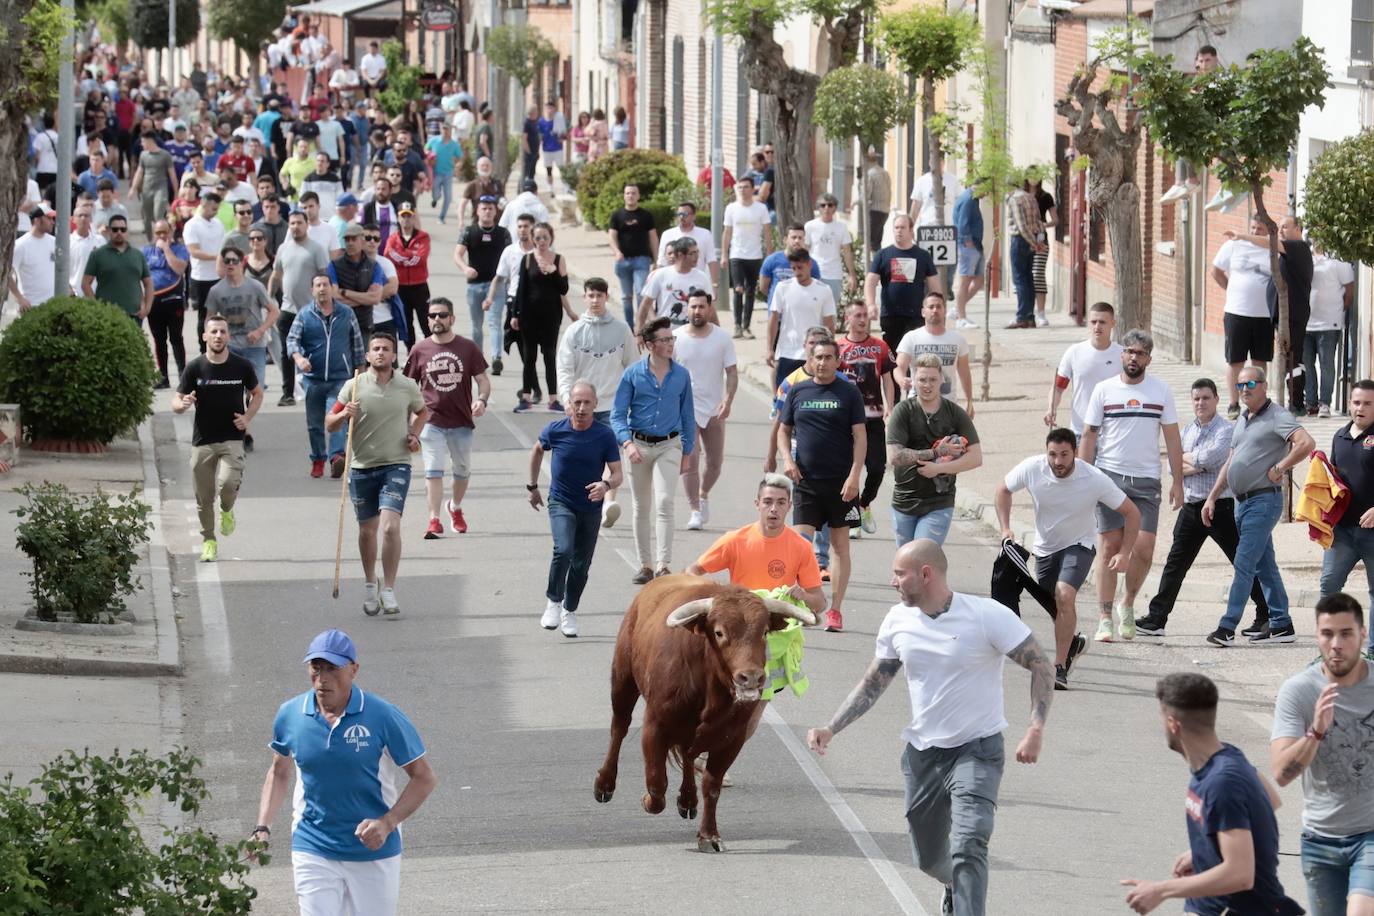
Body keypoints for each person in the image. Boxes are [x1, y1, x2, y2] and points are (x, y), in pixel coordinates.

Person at [807, 539, 1054, 916]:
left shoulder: (987, 615)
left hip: (978, 749)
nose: (892, 581)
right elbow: (874, 682)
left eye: (898, 574)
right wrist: (831, 727)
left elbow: (1041, 664)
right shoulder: (897, 620)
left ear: (925, 574)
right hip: (923, 756)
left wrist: (1035, 727)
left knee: (970, 842)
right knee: (926, 857)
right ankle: (953, 883)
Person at [253, 628, 436, 916]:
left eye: (332, 669)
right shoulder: (291, 715)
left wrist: (388, 823)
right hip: (312, 846)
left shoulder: (383, 715)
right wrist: (262, 828)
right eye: (316, 668)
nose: (322, 679)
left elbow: (423, 777)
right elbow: (279, 772)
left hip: (373, 851)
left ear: (354, 670)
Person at [1120, 672, 1300, 916]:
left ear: (1173, 724)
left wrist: (1161, 890)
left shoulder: (1222, 782)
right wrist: (1204, 851)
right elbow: (1269, 801)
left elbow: (1240, 875)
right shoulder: (1226, 756)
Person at [996, 427, 1138, 689]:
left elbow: (1131, 512)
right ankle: (1073, 643)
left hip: (1080, 544)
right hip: (1046, 549)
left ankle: (1059, 667)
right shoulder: (1032, 468)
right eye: (1052, 454)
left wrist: (1124, 552)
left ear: (1075, 452)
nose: (1058, 462)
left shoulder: (1093, 478)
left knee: (1064, 595)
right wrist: (1005, 527)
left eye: (1064, 454)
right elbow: (1003, 490)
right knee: (1058, 605)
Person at [1134, 379, 1269, 638]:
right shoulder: (1186, 431)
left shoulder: (1225, 431)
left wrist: (1186, 460)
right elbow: (1172, 466)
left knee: (1242, 563)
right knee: (1175, 564)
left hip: (1220, 508)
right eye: (1196, 399)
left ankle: (1266, 614)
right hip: (1192, 507)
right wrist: (1193, 463)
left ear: (1217, 399)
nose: (1200, 403)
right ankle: (1157, 618)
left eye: (1206, 398)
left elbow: (1211, 458)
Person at [1271, 592, 1374, 916]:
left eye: (1346, 633)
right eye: (1327, 634)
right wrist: (1315, 732)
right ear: (1316, 636)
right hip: (1320, 839)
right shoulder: (1299, 691)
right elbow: (1281, 774)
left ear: (1363, 634)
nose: (1336, 645)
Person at [1080, 328, 1185, 642]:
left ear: (1149, 359)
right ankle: (1104, 616)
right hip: (1109, 476)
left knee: (1144, 547)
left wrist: (1178, 480)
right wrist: (1084, 479)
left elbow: (1173, 438)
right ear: (1121, 354)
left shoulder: (1161, 392)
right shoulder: (1103, 390)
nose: (1133, 357)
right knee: (1109, 547)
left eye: (1140, 353)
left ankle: (1127, 603)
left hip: (1146, 479)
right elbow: (1088, 436)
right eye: (1129, 351)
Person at [1203, 366, 1313, 646]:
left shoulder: (1278, 416)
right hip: (1242, 502)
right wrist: (1213, 496)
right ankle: (1281, 624)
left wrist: (1281, 467)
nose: (1245, 389)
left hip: (1264, 500)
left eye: (1250, 383)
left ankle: (1227, 627)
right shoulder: (1242, 418)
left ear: (1264, 385)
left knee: (1244, 563)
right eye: (1240, 385)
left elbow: (1306, 443)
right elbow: (1230, 461)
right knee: (1265, 566)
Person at [326, 332, 428, 616]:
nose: (381, 353)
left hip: (396, 464)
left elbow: (423, 412)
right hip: (361, 467)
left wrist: (414, 435)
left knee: (390, 527)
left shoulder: (407, 386)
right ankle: (371, 582)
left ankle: (389, 589)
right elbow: (330, 424)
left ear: (394, 355)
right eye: (376, 349)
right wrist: (345, 414)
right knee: (367, 531)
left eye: (386, 349)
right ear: (368, 355)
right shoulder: (354, 386)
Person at [778, 337, 865, 632]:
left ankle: (836, 610)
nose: (823, 362)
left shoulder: (849, 393)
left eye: (829, 357)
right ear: (810, 359)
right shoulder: (798, 390)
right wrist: (787, 461)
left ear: (838, 361)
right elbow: (783, 430)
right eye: (818, 357)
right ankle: (804, 602)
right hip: (806, 482)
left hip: (842, 484)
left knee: (841, 547)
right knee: (801, 547)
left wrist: (855, 475)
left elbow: (861, 438)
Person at [528, 380, 623, 637]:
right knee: (563, 549)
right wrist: (533, 486)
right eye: (576, 402)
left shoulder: (604, 435)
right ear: (569, 403)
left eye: (586, 403)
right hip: (561, 501)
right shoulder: (555, 430)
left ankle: (569, 611)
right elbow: (537, 450)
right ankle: (553, 601)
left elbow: (617, 474)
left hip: (591, 506)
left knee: (581, 564)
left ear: (595, 405)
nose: (581, 408)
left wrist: (605, 485)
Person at [612, 316, 696, 584]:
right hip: (638, 445)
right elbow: (617, 415)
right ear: (650, 345)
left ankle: (662, 564)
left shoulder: (681, 375)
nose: (671, 344)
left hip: (669, 445)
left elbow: (688, 415)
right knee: (641, 506)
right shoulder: (633, 374)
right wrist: (627, 443)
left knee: (665, 502)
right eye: (665, 340)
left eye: (672, 339)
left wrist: (687, 453)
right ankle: (645, 564)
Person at [172, 315, 263, 562]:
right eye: (213, 332)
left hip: (232, 438)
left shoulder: (241, 366)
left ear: (228, 336)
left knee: (227, 484)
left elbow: (257, 393)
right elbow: (176, 401)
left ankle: (227, 509)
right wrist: (183, 403)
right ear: (204, 336)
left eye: (222, 332)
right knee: (203, 497)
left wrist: (247, 418)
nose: (218, 336)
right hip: (202, 441)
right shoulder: (195, 367)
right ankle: (209, 540)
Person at [403, 297, 490, 539]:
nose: (437, 319)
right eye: (432, 316)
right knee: (433, 470)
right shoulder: (419, 349)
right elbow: (409, 386)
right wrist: (410, 421)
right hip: (430, 420)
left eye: (442, 315)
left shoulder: (467, 347)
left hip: (461, 420)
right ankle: (434, 519)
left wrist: (481, 399)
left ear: (452, 318)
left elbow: (482, 380)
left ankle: (455, 507)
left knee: (462, 470)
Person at [555, 278, 637, 527]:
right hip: (581, 407)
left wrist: (632, 401)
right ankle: (581, 503)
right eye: (590, 295)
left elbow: (632, 366)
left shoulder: (622, 330)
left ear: (606, 297)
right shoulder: (575, 331)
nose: (595, 300)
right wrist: (567, 398)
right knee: (583, 457)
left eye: (599, 296)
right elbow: (565, 368)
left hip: (612, 406)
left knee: (611, 454)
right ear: (585, 298)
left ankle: (609, 502)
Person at [888, 353, 983, 547]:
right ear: (914, 379)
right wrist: (935, 453)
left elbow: (976, 458)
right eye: (922, 379)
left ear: (942, 379)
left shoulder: (954, 413)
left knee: (922, 555)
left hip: (939, 501)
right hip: (904, 500)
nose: (927, 385)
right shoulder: (903, 411)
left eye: (932, 379)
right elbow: (895, 457)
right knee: (906, 565)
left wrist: (939, 469)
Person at [288, 273, 366, 478]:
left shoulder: (346, 313)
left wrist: (361, 375)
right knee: (315, 424)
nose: (322, 288)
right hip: (313, 379)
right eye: (317, 285)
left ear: (332, 288)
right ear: (312, 290)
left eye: (325, 284)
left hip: (340, 378)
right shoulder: (305, 315)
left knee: (338, 419)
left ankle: (336, 457)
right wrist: (299, 359)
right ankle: (318, 459)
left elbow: (357, 344)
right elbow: (292, 341)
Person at [673, 290, 738, 531]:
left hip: (713, 409)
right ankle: (695, 510)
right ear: (686, 309)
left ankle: (703, 493)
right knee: (690, 460)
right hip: (685, 410)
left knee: (715, 463)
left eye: (701, 306)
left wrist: (728, 400)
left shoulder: (722, 338)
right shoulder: (676, 337)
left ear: (710, 308)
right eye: (693, 307)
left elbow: (732, 372)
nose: (697, 311)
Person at [834, 300, 896, 539]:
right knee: (851, 469)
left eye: (865, 315)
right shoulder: (838, 348)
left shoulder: (879, 346)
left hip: (874, 417)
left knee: (877, 468)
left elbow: (888, 380)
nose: (862, 319)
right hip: (847, 420)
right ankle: (854, 519)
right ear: (847, 318)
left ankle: (864, 503)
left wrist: (890, 407)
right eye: (857, 315)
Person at [204, 245, 280, 437]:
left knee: (256, 389)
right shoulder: (216, 290)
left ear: (241, 263)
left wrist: (260, 330)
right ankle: (243, 429)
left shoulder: (255, 286)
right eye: (226, 261)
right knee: (232, 390)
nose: (230, 264)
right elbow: (209, 318)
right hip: (231, 347)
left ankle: (244, 420)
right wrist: (212, 339)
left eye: (234, 261)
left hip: (255, 346)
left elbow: (273, 311)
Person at [1320, 380, 1374, 619]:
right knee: (1329, 587)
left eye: (1367, 403)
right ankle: (1332, 648)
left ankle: (1372, 650)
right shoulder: (1339, 436)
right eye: (1356, 402)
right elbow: (1332, 480)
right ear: (1349, 404)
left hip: (1372, 533)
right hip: (1342, 531)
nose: (1360, 408)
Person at [1213, 215, 1275, 420]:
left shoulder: (1272, 249)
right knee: (1235, 360)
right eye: (1253, 227)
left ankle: (1259, 403)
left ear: (1267, 230)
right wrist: (1231, 289)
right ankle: (1234, 403)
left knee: (1260, 360)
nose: (1255, 231)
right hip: (1236, 312)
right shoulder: (1234, 245)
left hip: (1264, 314)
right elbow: (1216, 271)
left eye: (1260, 228)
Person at [510, 222, 574, 413]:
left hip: (551, 315)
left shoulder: (559, 259)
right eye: (537, 238)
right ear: (532, 239)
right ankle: (526, 397)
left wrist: (554, 272)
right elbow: (521, 288)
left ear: (551, 238)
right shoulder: (528, 259)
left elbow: (564, 289)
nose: (541, 241)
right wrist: (515, 314)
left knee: (550, 354)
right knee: (529, 356)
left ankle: (554, 398)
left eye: (545, 237)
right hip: (529, 316)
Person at [271, 210, 331, 406]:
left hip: (311, 310)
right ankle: (288, 393)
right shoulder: (283, 249)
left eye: (299, 223)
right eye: (292, 223)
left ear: (307, 225)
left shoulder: (317, 249)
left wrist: (324, 303)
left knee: (315, 350)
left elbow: (324, 277)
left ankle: (317, 389)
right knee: (286, 352)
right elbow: (276, 275)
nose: (295, 227)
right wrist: (268, 298)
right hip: (287, 309)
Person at [1044, 301, 1123, 436]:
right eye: (1093, 322)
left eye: (1102, 322)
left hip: (1113, 432)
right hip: (1081, 430)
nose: (1097, 326)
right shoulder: (1074, 352)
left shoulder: (1123, 355)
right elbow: (1058, 387)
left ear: (1113, 324)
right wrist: (1052, 408)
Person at [865, 213, 941, 351]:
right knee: (892, 356)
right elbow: (870, 282)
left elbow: (935, 286)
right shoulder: (882, 255)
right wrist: (870, 305)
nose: (899, 230)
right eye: (896, 227)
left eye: (903, 227)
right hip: (891, 315)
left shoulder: (923, 256)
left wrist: (936, 310)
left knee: (914, 355)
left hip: (916, 315)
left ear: (911, 230)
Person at [767, 246, 837, 390]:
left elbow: (829, 325)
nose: (797, 272)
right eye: (793, 268)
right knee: (784, 398)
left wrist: (830, 352)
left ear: (809, 264)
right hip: (787, 353)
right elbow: (773, 320)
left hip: (813, 355)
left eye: (800, 267)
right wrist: (769, 349)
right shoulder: (782, 288)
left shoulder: (824, 290)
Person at [894, 292, 974, 417]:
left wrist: (969, 400)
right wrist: (901, 379)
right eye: (931, 307)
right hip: (917, 404)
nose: (935, 310)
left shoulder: (958, 340)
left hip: (947, 404)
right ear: (923, 312)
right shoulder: (911, 338)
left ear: (944, 310)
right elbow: (899, 366)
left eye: (939, 306)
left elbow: (965, 373)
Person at [453, 197, 510, 367]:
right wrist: (465, 269)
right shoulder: (470, 232)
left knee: (494, 322)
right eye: (484, 208)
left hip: (496, 285)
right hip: (474, 285)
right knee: (477, 324)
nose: (487, 211)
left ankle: (496, 358)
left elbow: (510, 256)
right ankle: (478, 358)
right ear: (477, 210)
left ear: (495, 211)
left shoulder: (503, 233)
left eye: (490, 208)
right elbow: (457, 254)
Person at [720, 176, 773, 340]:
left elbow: (767, 233)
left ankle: (746, 326)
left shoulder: (760, 209)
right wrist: (724, 254)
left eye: (746, 187)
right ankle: (736, 325)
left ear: (752, 189)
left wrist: (769, 254)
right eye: (740, 187)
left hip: (755, 255)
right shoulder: (731, 208)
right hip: (736, 255)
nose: (743, 190)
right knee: (738, 289)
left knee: (750, 291)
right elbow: (727, 232)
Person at [1305, 248, 1355, 418]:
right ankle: (1310, 403)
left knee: (1327, 364)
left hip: (1329, 323)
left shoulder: (1338, 261)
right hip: (1305, 323)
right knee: (1307, 364)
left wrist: (1339, 310)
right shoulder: (1306, 258)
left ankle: (1324, 403)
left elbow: (1349, 290)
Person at [485, 213, 537, 375]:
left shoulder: (540, 252)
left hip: (536, 301)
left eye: (526, 227)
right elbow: (499, 277)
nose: (522, 230)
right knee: (520, 341)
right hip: (515, 301)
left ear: (533, 228)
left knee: (534, 344)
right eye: (520, 226)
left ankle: (531, 380)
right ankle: (531, 381)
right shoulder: (510, 251)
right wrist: (490, 298)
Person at [143, 220, 190, 388]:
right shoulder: (146, 251)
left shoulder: (180, 249)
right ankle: (163, 377)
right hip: (153, 301)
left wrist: (166, 249)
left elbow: (179, 269)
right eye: (158, 233)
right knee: (159, 340)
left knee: (176, 338)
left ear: (171, 232)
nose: (162, 236)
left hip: (173, 300)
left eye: (165, 232)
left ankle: (183, 376)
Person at [81, 214, 153, 322]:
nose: (119, 232)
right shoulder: (97, 254)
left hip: (134, 315)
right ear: (109, 231)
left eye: (123, 229)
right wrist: (97, 307)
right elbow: (85, 283)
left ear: (127, 231)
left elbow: (148, 283)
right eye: (115, 229)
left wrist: (147, 308)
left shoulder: (138, 255)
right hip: (107, 317)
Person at [607, 183, 658, 328]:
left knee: (642, 293)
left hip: (642, 260)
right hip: (623, 261)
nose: (631, 196)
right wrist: (616, 252)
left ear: (638, 195)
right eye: (628, 193)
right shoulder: (617, 215)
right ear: (624, 195)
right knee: (626, 297)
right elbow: (611, 236)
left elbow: (653, 237)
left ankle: (640, 325)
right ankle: (629, 326)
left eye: (634, 193)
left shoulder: (646, 216)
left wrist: (656, 259)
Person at [183, 189, 227, 347]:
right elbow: (194, 251)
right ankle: (204, 347)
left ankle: (222, 344)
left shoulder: (218, 224)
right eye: (213, 209)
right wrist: (216, 257)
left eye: (217, 209)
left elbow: (223, 246)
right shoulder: (192, 225)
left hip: (219, 276)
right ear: (204, 205)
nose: (215, 212)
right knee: (205, 315)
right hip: (201, 277)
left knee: (222, 314)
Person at [638, 237, 711, 330]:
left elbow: (710, 308)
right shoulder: (661, 275)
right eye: (692, 253)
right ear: (680, 255)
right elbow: (646, 305)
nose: (696, 257)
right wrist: (643, 329)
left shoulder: (702, 277)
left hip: (693, 334)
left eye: (697, 252)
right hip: (666, 334)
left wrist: (716, 333)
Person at [384, 205, 431, 343]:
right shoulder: (393, 238)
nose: (406, 219)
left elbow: (421, 257)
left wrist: (402, 257)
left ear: (413, 218)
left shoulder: (423, 237)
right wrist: (409, 256)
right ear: (398, 218)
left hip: (419, 285)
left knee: (425, 321)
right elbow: (388, 254)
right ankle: (411, 354)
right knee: (406, 322)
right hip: (401, 286)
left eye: (409, 216)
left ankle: (431, 351)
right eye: (403, 216)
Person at [329, 223, 385, 337]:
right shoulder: (334, 265)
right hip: (340, 324)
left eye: (353, 239)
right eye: (347, 239)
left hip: (364, 325)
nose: (350, 243)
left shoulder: (374, 266)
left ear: (362, 241)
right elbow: (334, 296)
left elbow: (375, 298)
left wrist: (345, 292)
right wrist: (364, 299)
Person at [1005, 180, 1045, 329]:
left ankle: (1022, 316)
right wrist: (1039, 240)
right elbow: (1039, 222)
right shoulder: (1030, 197)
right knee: (1028, 278)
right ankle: (1030, 317)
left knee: (1020, 279)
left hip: (1020, 240)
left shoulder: (1014, 199)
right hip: (1032, 238)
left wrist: (1033, 243)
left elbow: (1021, 226)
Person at [757, 223, 822, 311]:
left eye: (800, 238)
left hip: (801, 314)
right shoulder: (772, 260)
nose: (797, 241)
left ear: (804, 240)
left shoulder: (811, 264)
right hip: (777, 314)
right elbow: (763, 287)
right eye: (794, 237)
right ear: (785, 240)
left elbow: (816, 288)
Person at [656, 201, 718, 286]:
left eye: (685, 214)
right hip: (672, 281)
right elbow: (661, 261)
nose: (681, 217)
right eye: (679, 214)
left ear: (693, 216)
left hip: (697, 281)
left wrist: (714, 284)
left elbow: (711, 260)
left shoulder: (705, 234)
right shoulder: (667, 234)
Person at [129, 131, 177, 239]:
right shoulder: (143, 155)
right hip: (146, 189)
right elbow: (139, 172)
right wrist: (133, 188)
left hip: (161, 188)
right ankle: (150, 240)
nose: (142, 144)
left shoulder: (165, 155)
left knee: (158, 214)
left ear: (150, 141)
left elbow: (172, 174)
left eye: (143, 142)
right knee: (146, 217)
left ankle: (160, 239)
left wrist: (176, 192)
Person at [9, 207, 56, 311]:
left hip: (54, 306)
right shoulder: (21, 245)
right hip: (32, 307)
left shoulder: (54, 242)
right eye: (49, 218)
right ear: (37, 220)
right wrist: (20, 298)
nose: (53, 222)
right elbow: (6, 274)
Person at [951, 184, 983, 328]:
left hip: (975, 244)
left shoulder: (972, 198)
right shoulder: (968, 199)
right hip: (968, 246)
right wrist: (966, 239)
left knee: (979, 280)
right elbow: (962, 222)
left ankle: (958, 309)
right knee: (965, 281)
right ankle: (961, 318)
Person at [1030, 181, 1056, 328]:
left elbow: (1055, 219)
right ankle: (1027, 312)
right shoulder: (1022, 195)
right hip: (1024, 241)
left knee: (1038, 274)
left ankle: (1041, 313)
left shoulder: (1045, 196)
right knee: (1026, 277)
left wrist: (1041, 225)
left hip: (1041, 241)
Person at [424, 124, 462, 223]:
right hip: (436, 173)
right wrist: (429, 154)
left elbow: (460, 157)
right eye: (444, 129)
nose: (445, 131)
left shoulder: (454, 145)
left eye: (447, 129)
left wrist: (458, 165)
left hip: (448, 174)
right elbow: (425, 149)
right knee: (436, 194)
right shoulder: (434, 140)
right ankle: (435, 199)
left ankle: (441, 217)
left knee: (448, 197)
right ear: (441, 129)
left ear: (450, 130)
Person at [68, 199, 106, 296]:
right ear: (73, 219)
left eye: (86, 215)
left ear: (91, 219)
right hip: (76, 295)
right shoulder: (67, 242)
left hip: (98, 293)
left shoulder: (100, 240)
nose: (83, 218)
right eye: (80, 215)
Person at [459, 157, 504, 227]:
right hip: (477, 225)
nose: (485, 168)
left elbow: (502, 203)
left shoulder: (497, 184)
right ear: (477, 168)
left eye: (487, 165)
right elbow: (462, 205)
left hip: (495, 225)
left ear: (491, 167)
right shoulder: (472, 185)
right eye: (482, 165)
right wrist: (461, 221)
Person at [863, 148, 892, 252]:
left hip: (875, 210)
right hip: (885, 210)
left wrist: (857, 202)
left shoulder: (870, 174)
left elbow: (866, 194)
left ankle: (873, 264)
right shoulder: (885, 173)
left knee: (871, 242)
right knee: (878, 240)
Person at [537, 100, 565, 187]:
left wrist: (562, 138)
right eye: (548, 108)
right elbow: (539, 136)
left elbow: (565, 132)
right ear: (545, 109)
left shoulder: (559, 119)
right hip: (547, 149)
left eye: (551, 108)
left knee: (562, 169)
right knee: (549, 170)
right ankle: (550, 187)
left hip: (557, 148)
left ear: (554, 109)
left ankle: (565, 186)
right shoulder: (541, 121)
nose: (550, 110)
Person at [519, 105, 540, 183]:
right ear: (532, 113)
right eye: (536, 112)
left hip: (534, 152)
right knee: (526, 173)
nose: (537, 113)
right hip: (529, 154)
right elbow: (524, 139)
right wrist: (529, 152)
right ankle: (522, 189)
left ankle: (530, 188)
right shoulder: (526, 123)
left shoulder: (534, 122)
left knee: (532, 173)